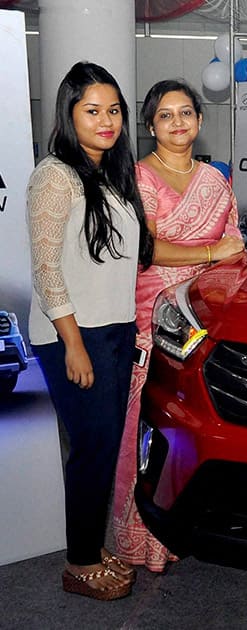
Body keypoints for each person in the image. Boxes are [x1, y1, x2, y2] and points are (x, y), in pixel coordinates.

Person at [28, 61, 154, 600]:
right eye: (92, 110)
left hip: (114, 331)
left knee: (103, 448)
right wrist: (73, 343)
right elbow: (46, 268)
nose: (107, 121)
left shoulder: (112, 173)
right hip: (74, 336)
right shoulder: (54, 175)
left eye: (114, 111)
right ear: (69, 113)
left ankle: (88, 544)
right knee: (91, 450)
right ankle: (79, 563)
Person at [110, 79, 244, 573]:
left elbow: (236, 247)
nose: (178, 123)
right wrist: (209, 253)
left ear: (201, 121)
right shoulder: (138, 180)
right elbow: (147, 249)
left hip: (205, 315)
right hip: (154, 313)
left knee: (197, 419)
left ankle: (187, 520)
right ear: (149, 127)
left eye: (185, 113)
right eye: (165, 116)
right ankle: (139, 536)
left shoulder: (215, 181)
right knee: (146, 421)